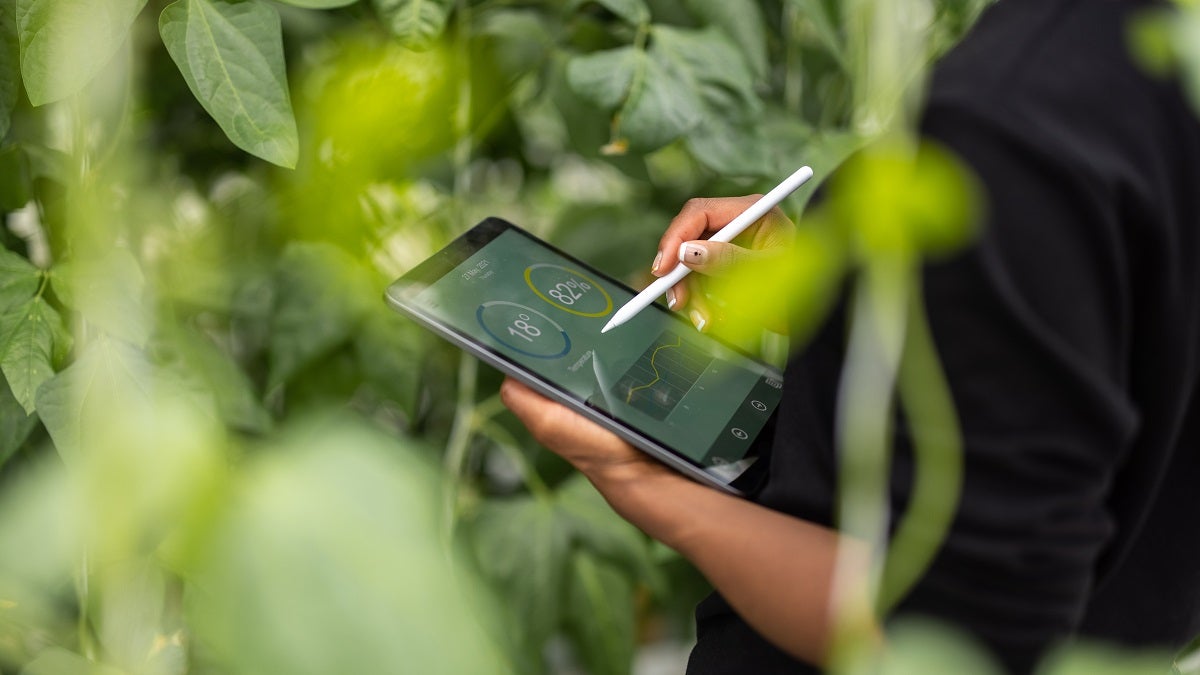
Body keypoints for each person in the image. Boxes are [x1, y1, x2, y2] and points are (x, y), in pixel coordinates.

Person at [502, 0, 1200, 672]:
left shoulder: (1009, 118)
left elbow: (959, 635)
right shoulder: (1162, 51)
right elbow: (1110, 336)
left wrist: (644, 481)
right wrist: (862, 293)